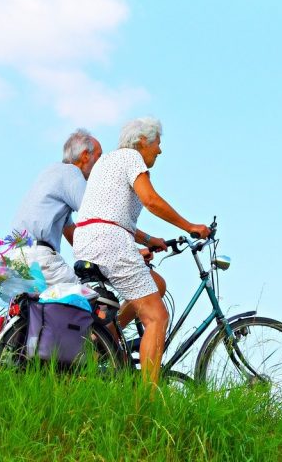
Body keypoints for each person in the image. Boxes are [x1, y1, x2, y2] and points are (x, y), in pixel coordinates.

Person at [73, 117, 210, 385]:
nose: (159, 150)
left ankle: (107, 340)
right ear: (143, 141)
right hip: (109, 241)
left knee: (156, 284)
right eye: (158, 143)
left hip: (89, 240)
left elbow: (109, 213)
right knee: (157, 317)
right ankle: (147, 400)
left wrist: (148, 239)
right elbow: (151, 200)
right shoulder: (132, 158)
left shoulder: (107, 162)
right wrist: (190, 226)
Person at [11, 129, 102, 285]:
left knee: (44, 307)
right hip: (39, 258)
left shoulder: (51, 173)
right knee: (90, 302)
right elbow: (98, 215)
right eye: (99, 156)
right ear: (85, 155)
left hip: (17, 257)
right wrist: (128, 253)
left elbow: (71, 232)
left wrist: (100, 256)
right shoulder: (72, 173)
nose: (101, 164)